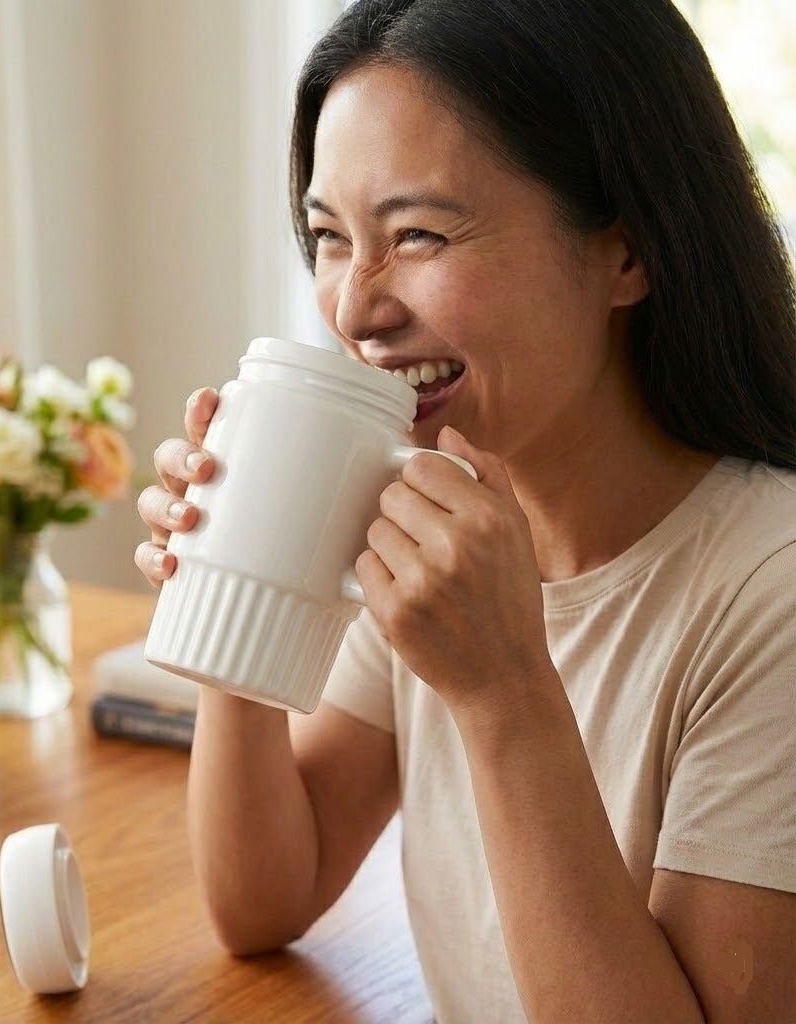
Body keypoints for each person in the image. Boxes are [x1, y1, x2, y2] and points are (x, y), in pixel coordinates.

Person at [135, 0, 796, 1020]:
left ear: (627, 251)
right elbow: (262, 898)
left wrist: (505, 694)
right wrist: (241, 558)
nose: (355, 307)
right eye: (328, 236)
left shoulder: (769, 593)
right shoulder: (424, 521)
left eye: (418, 235)